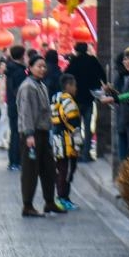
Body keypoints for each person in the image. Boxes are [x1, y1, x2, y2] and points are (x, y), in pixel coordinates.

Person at [17, 55, 64, 217]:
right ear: (30, 68)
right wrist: (29, 134)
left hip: (44, 132)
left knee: (48, 169)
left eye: (44, 66)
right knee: (30, 170)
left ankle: (49, 202)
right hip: (32, 133)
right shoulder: (28, 87)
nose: (42, 69)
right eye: (38, 66)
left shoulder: (41, 85)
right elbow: (26, 112)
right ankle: (27, 205)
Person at [64, 43, 106, 161]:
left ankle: (77, 151)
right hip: (89, 98)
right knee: (88, 126)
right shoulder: (92, 60)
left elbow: (65, 76)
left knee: (76, 127)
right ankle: (86, 153)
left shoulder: (74, 61)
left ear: (76, 50)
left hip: (76, 99)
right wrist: (100, 86)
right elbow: (102, 75)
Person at [51, 74, 82, 211]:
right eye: (74, 85)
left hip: (57, 141)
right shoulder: (69, 103)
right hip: (68, 143)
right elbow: (74, 125)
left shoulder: (55, 99)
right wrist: (78, 145)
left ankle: (61, 197)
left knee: (61, 170)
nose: (76, 88)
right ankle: (63, 199)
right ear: (68, 86)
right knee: (67, 172)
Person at [5, 45, 29, 170]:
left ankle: (13, 160)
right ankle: (16, 161)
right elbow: (20, 91)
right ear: (21, 56)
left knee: (14, 132)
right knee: (17, 133)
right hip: (18, 105)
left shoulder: (10, 69)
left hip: (11, 104)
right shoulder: (19, 72)